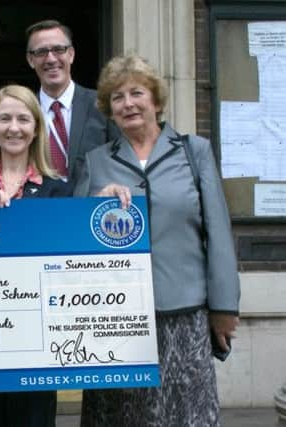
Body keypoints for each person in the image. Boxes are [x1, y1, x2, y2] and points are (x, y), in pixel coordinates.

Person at [73, 54, 240, 426]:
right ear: (109, 110)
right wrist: (93, 204)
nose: (128, 103)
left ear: (156, 101)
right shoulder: (96, 160)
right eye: (117, 97)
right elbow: (75, 239)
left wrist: (224, 307)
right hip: (117, 317)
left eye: (137, 93)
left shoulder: (193, 152)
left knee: (187, 414)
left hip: (184, 314)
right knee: (122, 416)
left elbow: (218, 232)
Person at [0, 85, 71, 426]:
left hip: (38, 338)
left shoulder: (58, 189)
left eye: (23, 119)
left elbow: (67, 262)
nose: (14, 127)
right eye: (4, 118)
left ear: (36, 128)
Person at [25, 19, 117, 183]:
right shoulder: (22, 111)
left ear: (71, 54)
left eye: (58, 49)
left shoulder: (103, 105)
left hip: (90, 206)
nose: (51, 59)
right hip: (39, 206)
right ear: (31, 60)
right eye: (41, 52)